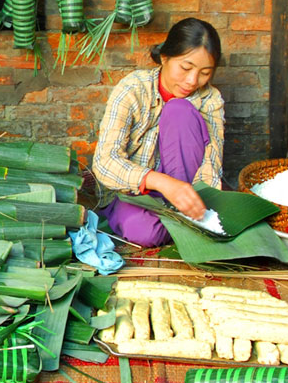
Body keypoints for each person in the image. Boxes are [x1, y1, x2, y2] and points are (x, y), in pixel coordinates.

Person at [92, 17, 224, 247]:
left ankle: (182, 216)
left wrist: (199, 202)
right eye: (185, 68)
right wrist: (160, 182)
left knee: (179, 110)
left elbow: (211, 163)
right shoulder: (133, 89)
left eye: (205, 72)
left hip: (185, 194)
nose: (193, 81)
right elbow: (104, 162)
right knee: (144, 233)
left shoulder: (209, 98)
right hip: (134, 193)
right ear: (165, 57)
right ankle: (178, 225)